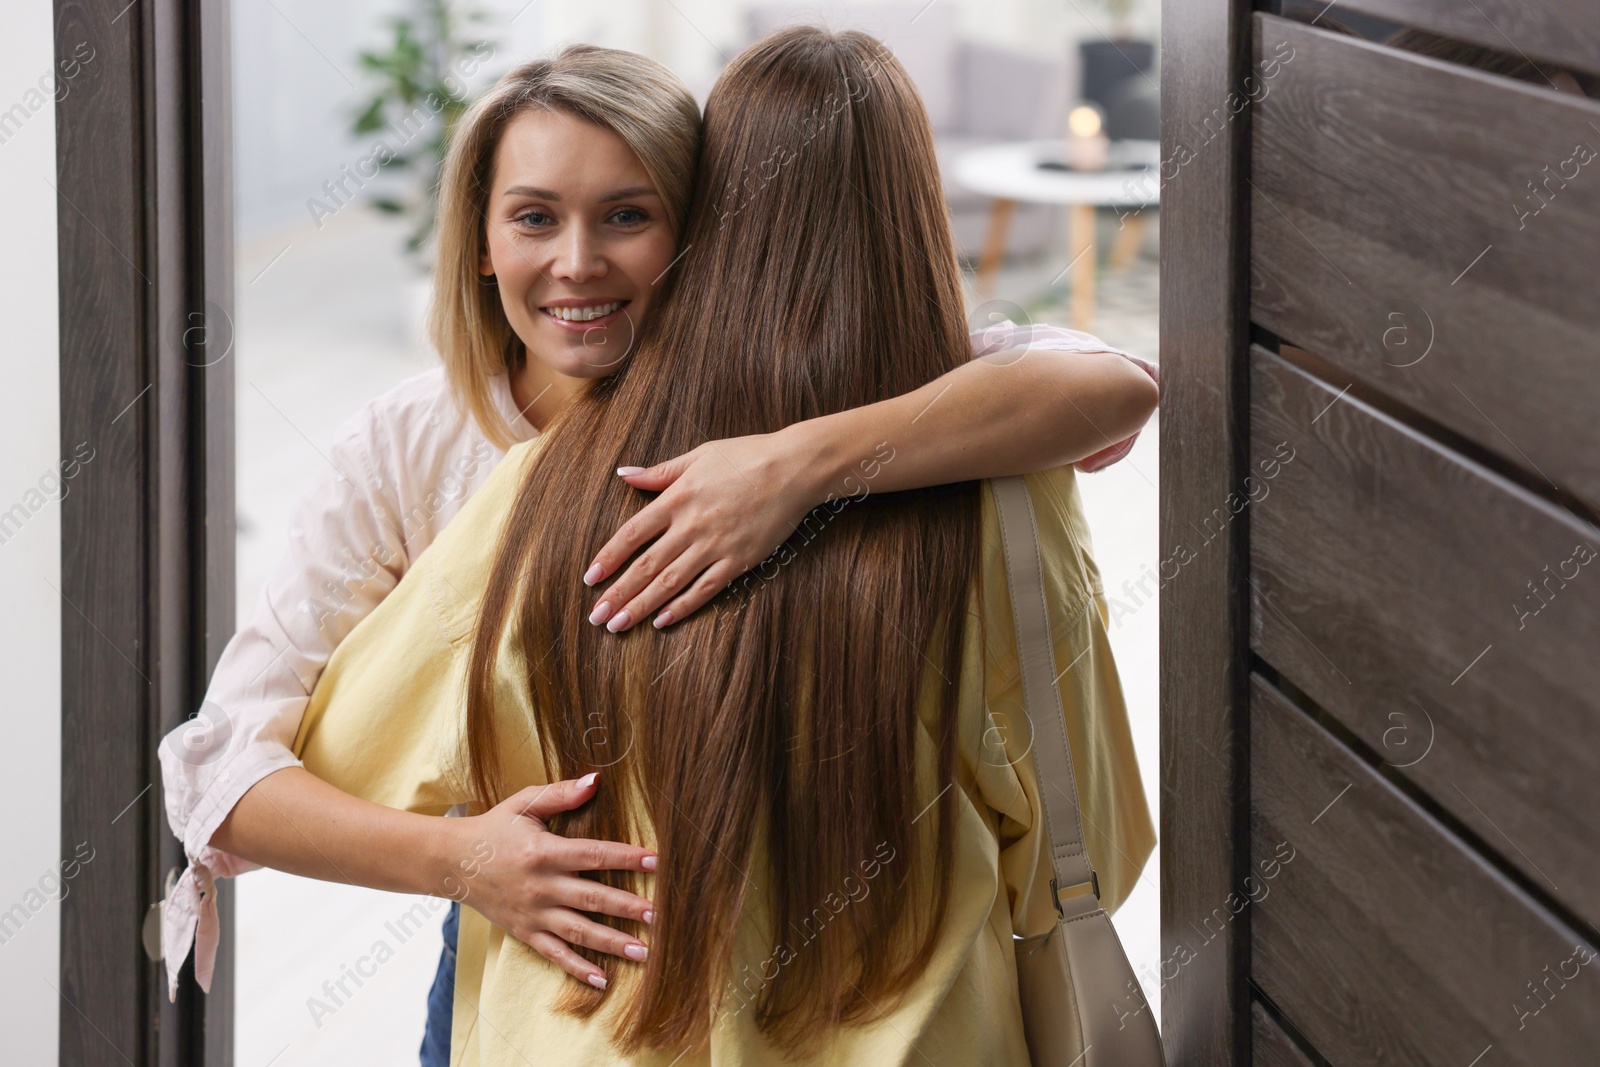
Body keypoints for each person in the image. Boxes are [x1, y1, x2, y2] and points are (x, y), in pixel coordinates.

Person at [159, 39, 1156, 1062]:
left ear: (706, 230)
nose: (579, 262)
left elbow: (1109, 380)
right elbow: (229, 774)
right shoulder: (429, 455)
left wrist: (792, 466)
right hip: (623, 937)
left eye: (628, 215)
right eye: (536, 215)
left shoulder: (882, 424)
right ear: (481, 240)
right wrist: (463, 857)